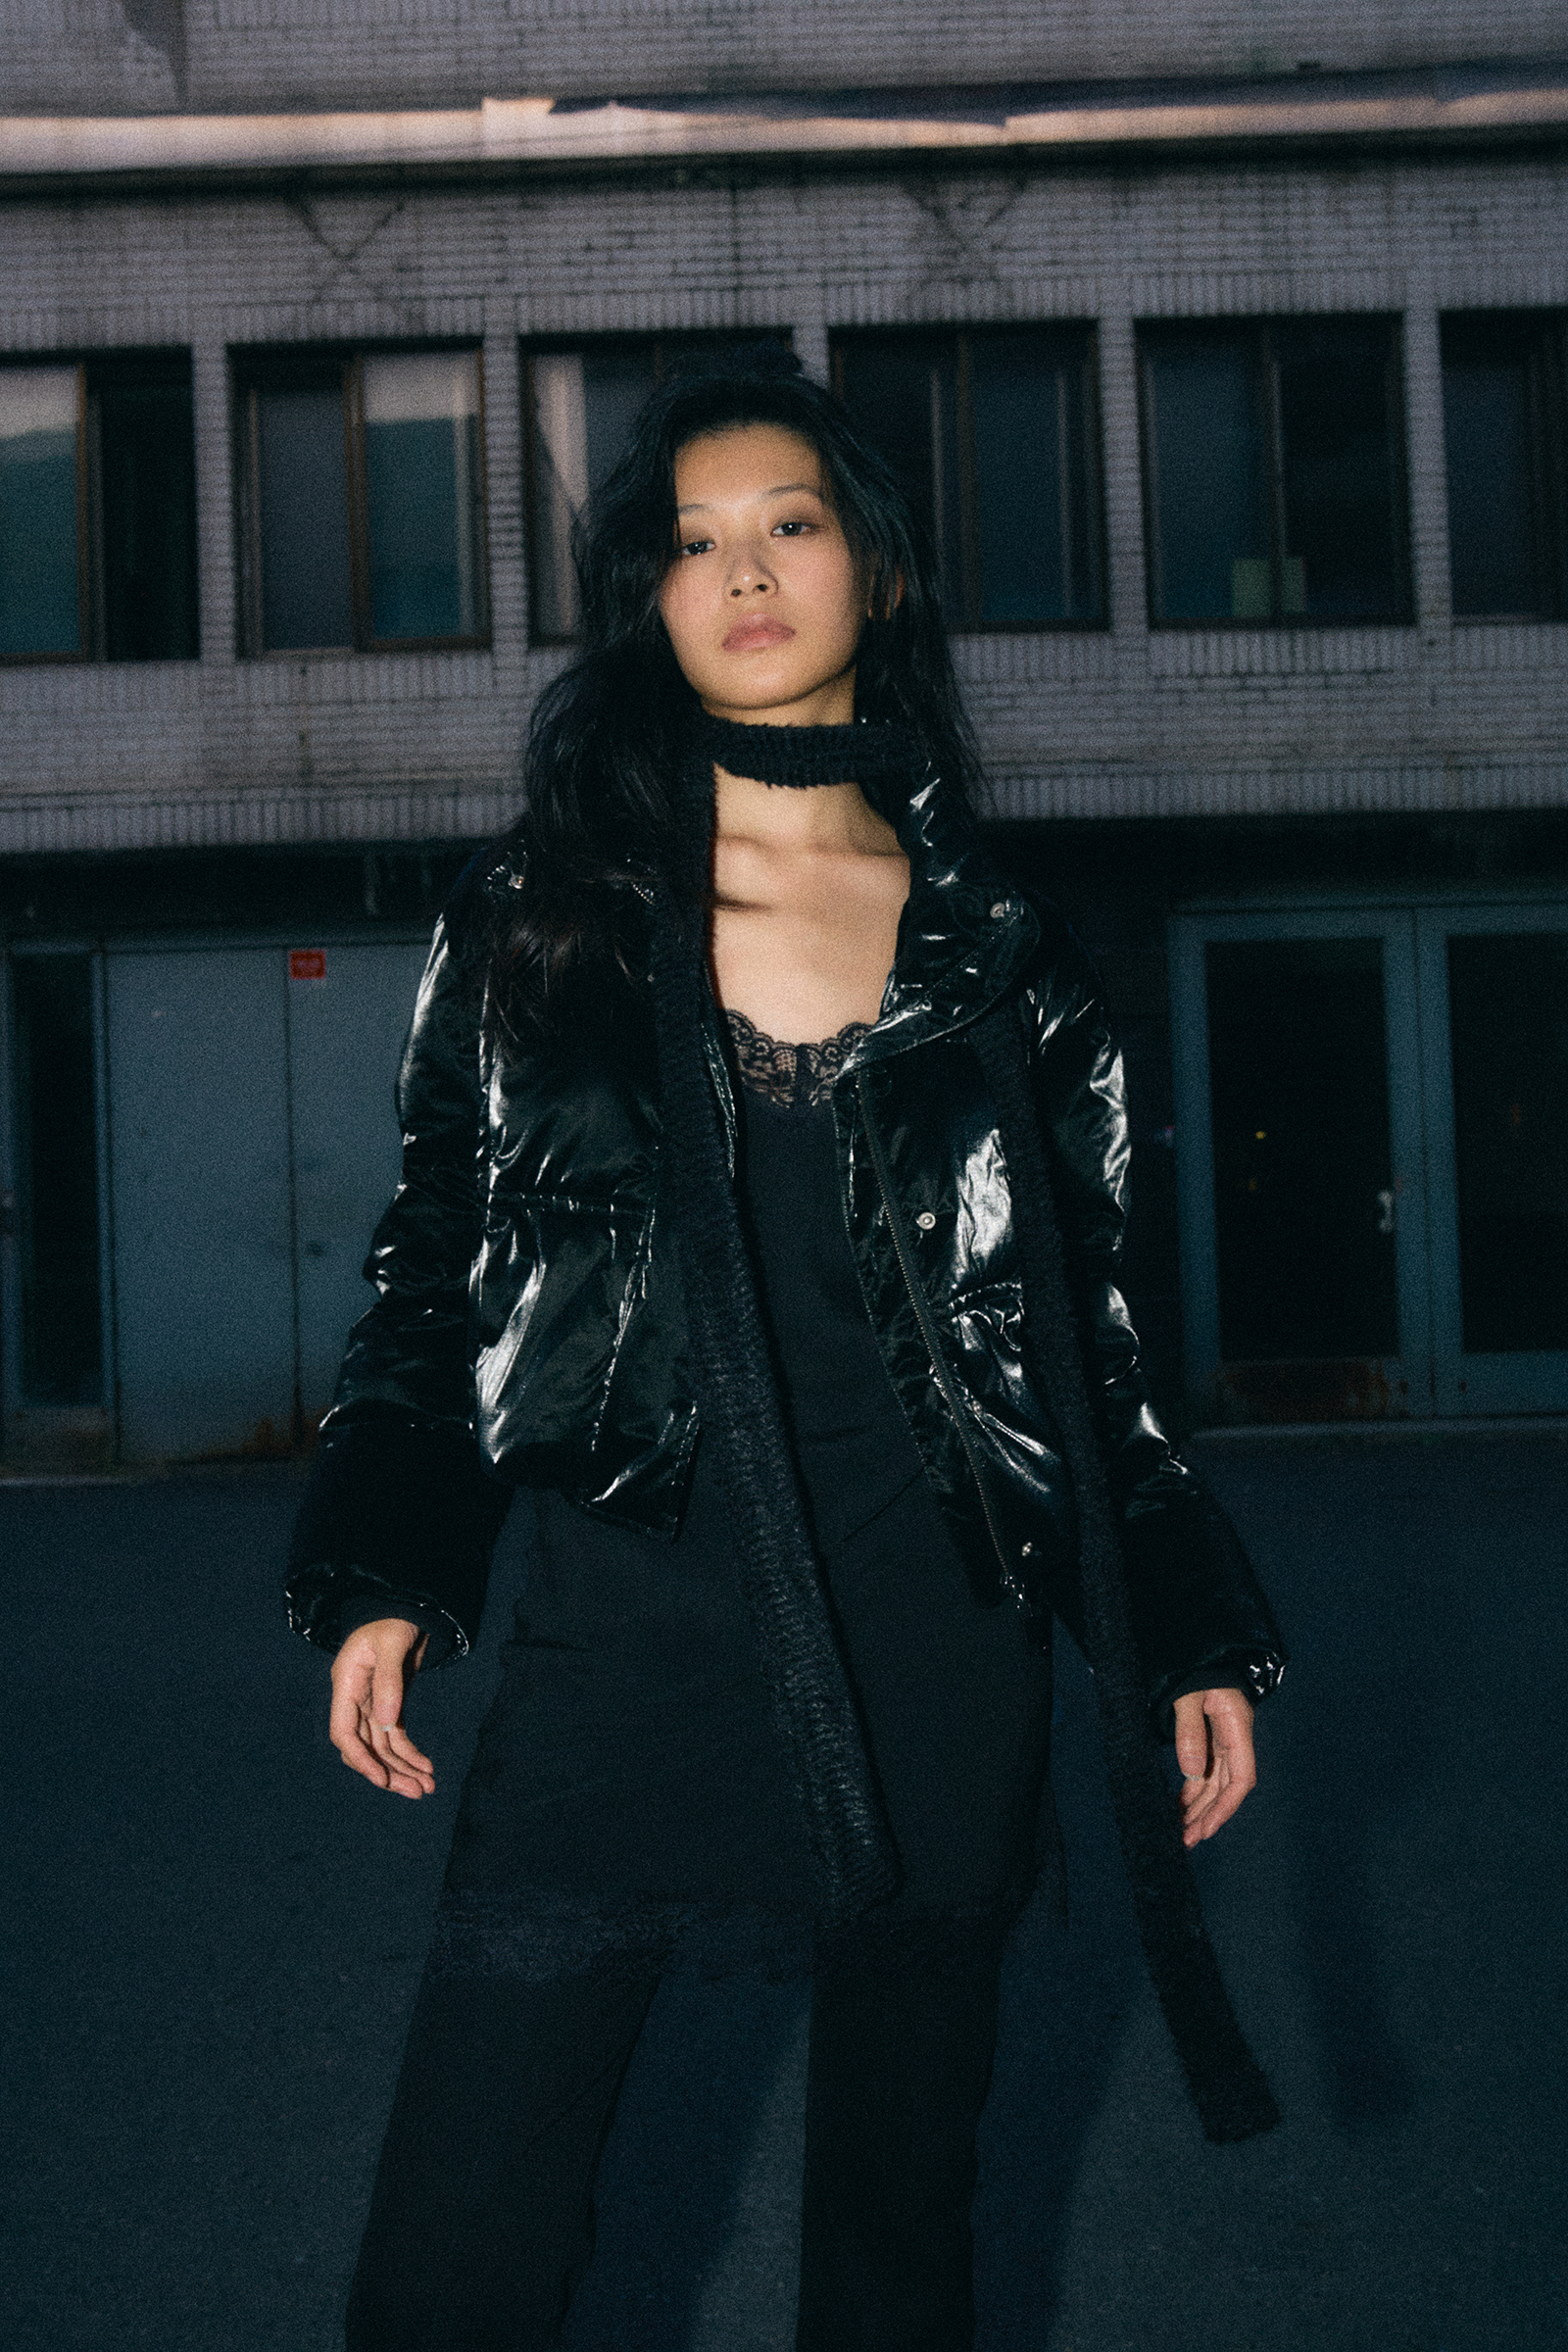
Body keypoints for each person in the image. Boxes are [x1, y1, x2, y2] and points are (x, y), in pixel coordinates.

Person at [286, 351, 1286, 2352]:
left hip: (936, 1648)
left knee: (897, 2240)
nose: (741, 571)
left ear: (875, 574)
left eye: (790, 523)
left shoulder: (999, 948)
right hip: (629, 1627)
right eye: (692, 542)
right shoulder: (544, 913)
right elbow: (435, 1265)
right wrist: (393, 1563)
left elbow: (1080, 1340)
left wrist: (1180, 1626)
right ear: (648, 603)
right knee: (461, 2243)